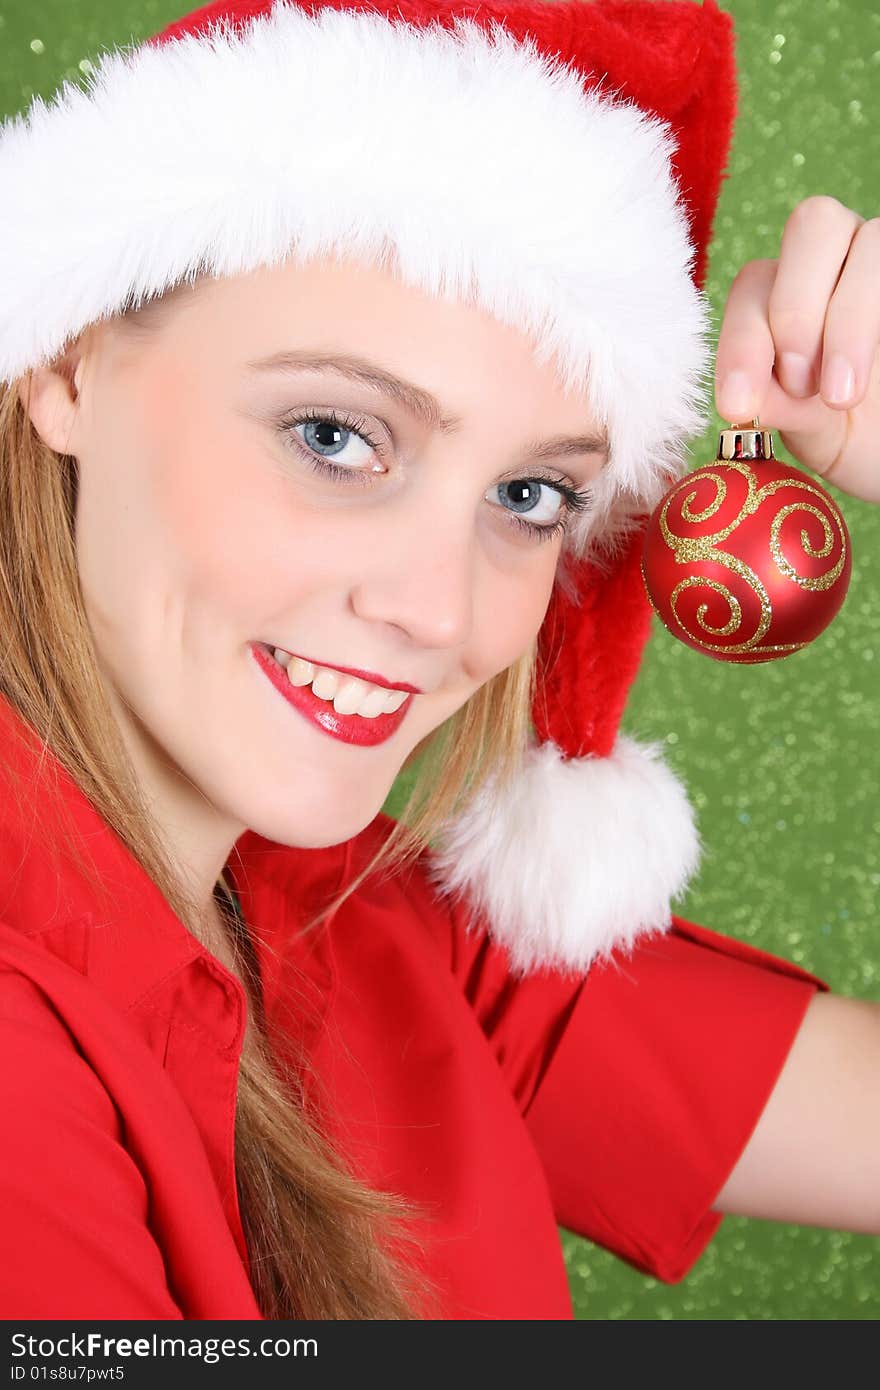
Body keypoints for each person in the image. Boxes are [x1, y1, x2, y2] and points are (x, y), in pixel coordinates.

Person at [0, 0, 876, 1321]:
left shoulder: (377, 936)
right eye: (337, 436)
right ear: (68, 359)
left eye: (529, 495)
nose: (435, 606)